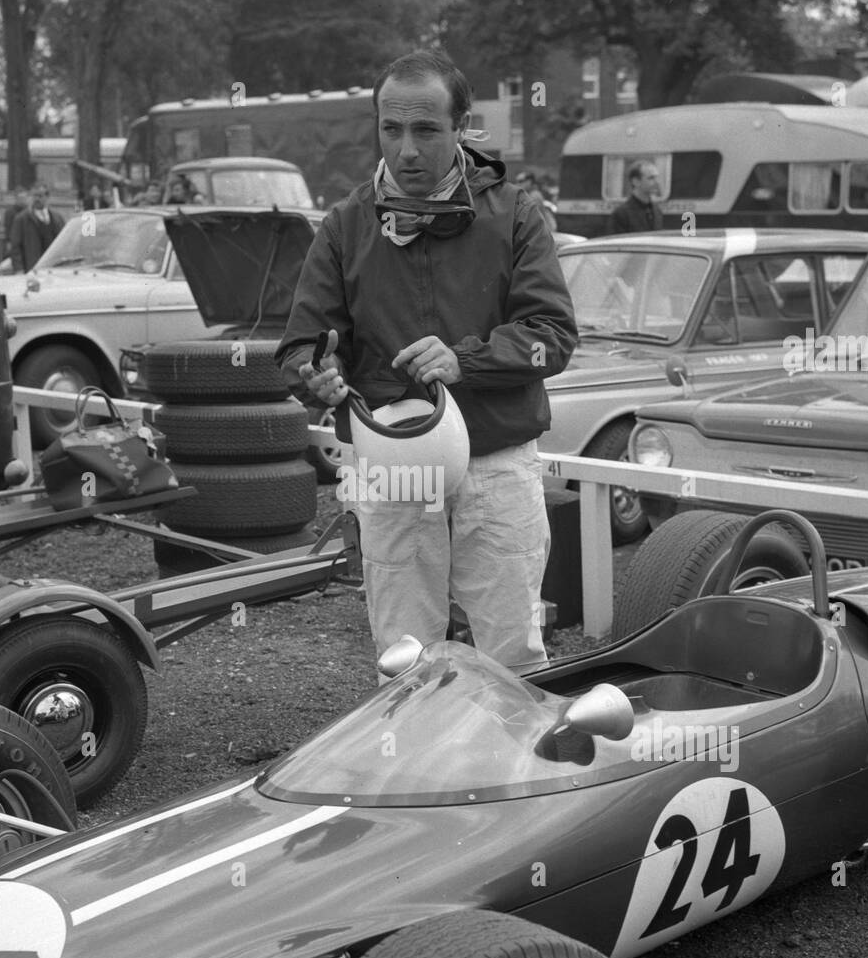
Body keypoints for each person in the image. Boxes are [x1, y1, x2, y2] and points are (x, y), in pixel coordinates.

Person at [275, 49, 578, 673]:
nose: (406, 149)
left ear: (463, 126)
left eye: (426, 130)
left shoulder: (515, 213)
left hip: (494, 461)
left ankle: (513, 768)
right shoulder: (345, 225)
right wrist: (314, 374)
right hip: (390, 464)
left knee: (511, 651)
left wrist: (466, 361)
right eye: (392, 129)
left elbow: (553, 335)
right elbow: (301, 344)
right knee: (404, 656)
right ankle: (412, 768)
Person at [8, 183, 66, 272]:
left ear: (47, 197)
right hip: (32, 269)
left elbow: (64, 244)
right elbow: (15, 247)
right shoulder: (21, 219)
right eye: (34, 196)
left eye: (40, 196)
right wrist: (19, 269)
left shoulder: (57, 218)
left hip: (54, 268)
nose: (37, 199)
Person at [608, 159, 665, 234]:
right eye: (651, 178)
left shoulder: (657, 211)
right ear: (636, 181)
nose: (657, 182)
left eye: (656, 178)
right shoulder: (621, 214)